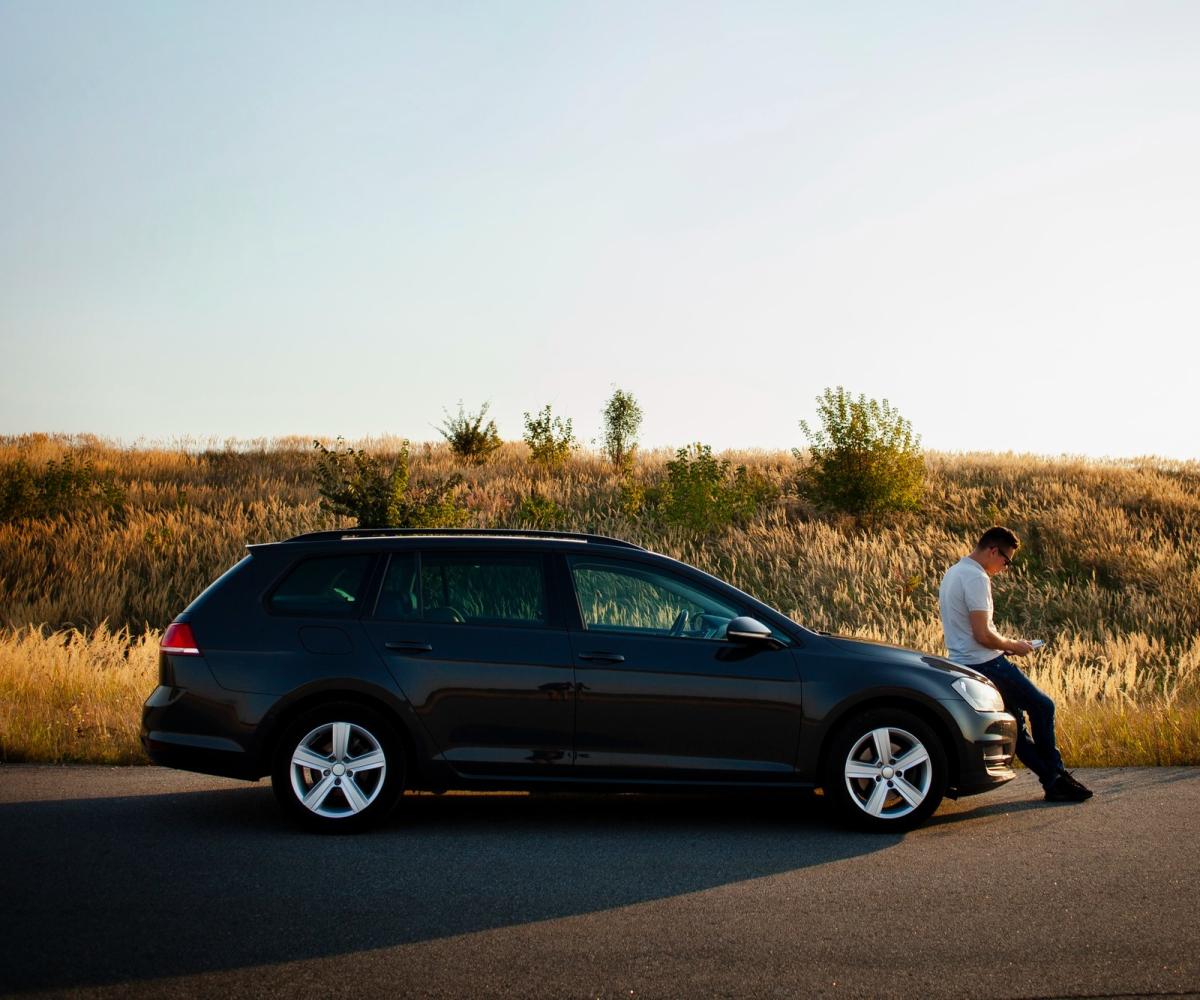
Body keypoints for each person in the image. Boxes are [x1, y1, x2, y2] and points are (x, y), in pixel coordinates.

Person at [939, 526, 1092, 803]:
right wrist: (1015, 646)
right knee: (1043, 706)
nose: (1005, 567)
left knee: (1017, 726)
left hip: (965, 661)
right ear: (993, 550)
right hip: (986, 663)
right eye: (1006, 560)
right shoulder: (976, 577)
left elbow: (970, 632)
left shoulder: (953, 572)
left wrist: (1004, 645)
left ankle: (1055, 781)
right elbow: (982, 634)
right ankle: (1056, 776)